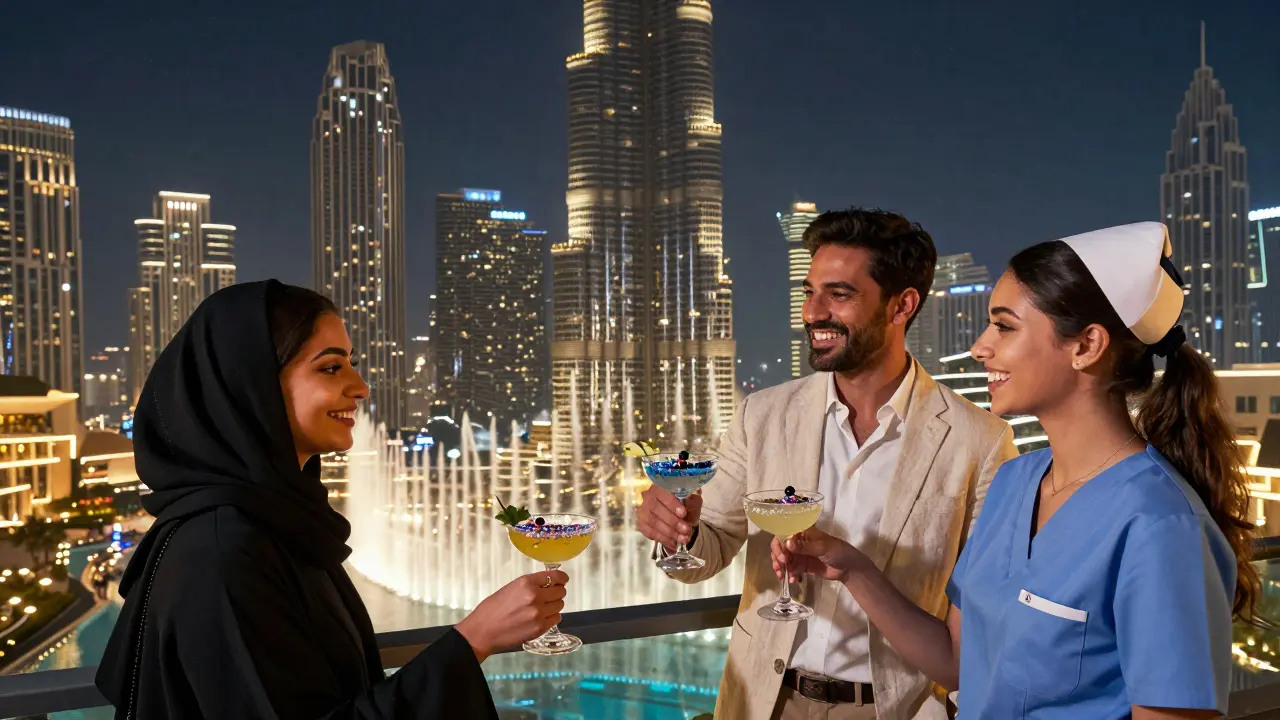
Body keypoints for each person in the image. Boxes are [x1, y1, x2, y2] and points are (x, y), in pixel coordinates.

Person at [775, 222, 1252, 718]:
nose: (980, 347)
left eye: (1004, 327)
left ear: (1086, 346)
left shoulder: (1162, 526)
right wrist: (853, 569)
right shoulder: (1015, 482)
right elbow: (959, 664)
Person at [95, 280, 569, 719]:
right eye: (330, 367)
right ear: (253, 386)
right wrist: (475, 638)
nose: (360, 388)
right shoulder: (223, 551)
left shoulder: (273, 523)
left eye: (351, 363)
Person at [638, 208, 1018, 720]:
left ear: (902, 305)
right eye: (809, 291)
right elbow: (709, 550)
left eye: (838, 294)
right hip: (764, 701)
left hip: (891, 709)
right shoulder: (761, 415)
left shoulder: (982, 441)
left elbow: (978, 632)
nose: (813, 312)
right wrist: (676, 531)